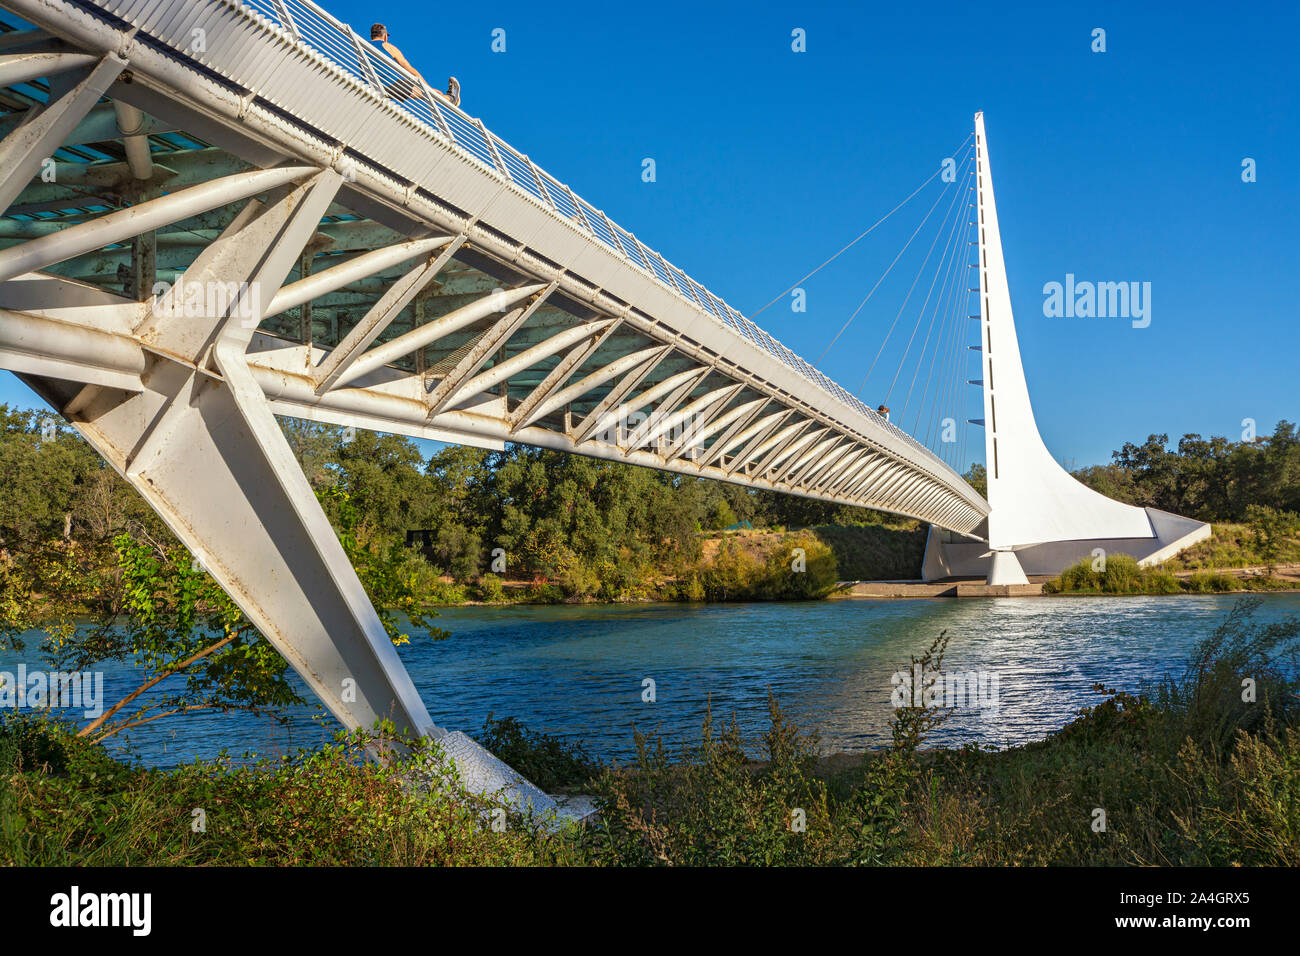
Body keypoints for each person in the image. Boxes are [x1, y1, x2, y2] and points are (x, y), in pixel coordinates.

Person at [370, 23, 459, 106]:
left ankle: (448, 98)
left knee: (409, 86)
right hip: (389, 89)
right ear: (385, 36)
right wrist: (429, 88)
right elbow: (409, 68)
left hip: (370, 89)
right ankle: (451, 98)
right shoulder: (387, 46)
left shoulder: (360, 46)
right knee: (426, 93)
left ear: (372, 36)